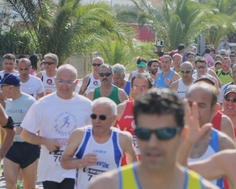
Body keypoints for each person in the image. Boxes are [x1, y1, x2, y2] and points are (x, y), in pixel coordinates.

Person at [88, 89, 217, 189]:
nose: (153, 143)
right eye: (144, 133)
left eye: (165, 133)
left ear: (183, 135)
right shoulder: (105, 186)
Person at [20, 64, 92, 189]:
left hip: (75, 168)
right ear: (54, 81)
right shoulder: (42, 104)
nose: (64, 86)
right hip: (49, 169)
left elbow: (95, 135)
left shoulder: (87, 106)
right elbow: (25, 134)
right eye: (60, 81)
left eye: (69, 82)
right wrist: (45, 141)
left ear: (76, 83)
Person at [61, 97, 137, 189]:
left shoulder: (123, 138)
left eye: (102, 117)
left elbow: (133, 163)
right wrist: (81, 162)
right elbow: (64, 162)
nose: (97, 121)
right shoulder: (79, 134)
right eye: (93, 116)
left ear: (114, 119)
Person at [186, 83, 236, 188]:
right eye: (190, 104)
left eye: (201, 105)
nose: (194, 111)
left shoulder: (223, 144)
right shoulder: (169, 139)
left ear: (214, 109)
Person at [2, 74, 38, 189]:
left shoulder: (30, 101)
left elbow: (38, 125)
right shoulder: (5, 102)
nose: (1, 90)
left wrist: (21, 130)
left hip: (29, 146)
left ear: (10, 87)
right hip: (11, 147)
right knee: (10, 183)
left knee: (29, 186)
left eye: (2, 87)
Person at [116, 73, 153, 163]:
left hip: (150, 167)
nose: (139, 90)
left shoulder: (159, 111)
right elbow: (107, 136)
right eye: (136, 87)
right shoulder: (121, 108)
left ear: (151, 89)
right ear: (131, 89)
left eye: (143, 87)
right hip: (125, 166)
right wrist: (120, 136)